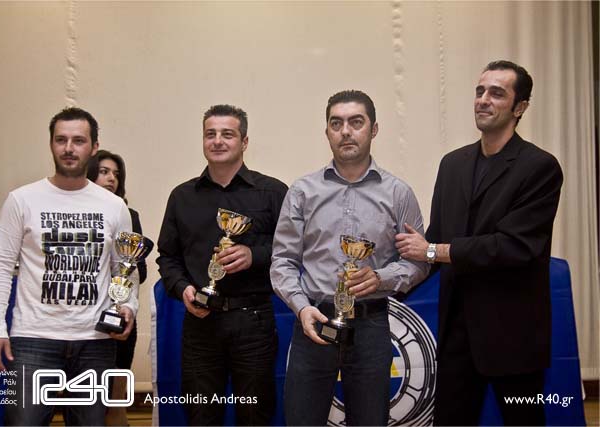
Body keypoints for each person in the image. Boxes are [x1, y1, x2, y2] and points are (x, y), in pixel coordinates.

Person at [395, 60, 563, 425]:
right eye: (480, 91)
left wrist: (433, 250)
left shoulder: (540, 167)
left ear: (520, 107)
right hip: (456, 337)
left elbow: (513, 247)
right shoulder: (452, 165)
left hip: (513, 338)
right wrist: (384, 282)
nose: (483, 100)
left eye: (497, 93)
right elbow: (434, 240)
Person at [271, 90, 429, 426]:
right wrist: (301, 307)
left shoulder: (398, 193)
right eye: (336, 123)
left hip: (371, 326)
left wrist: (381, 278)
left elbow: (418, 261)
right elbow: (282, 260)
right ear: (327, 131)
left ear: (374, 129)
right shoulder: (302, 191)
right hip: (314, 322)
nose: (345, 131)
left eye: (356, 122)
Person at [0, 107, 137, 426]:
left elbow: (124, 268)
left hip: (95, 341)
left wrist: (128, 306)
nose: (69, 148)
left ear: (93, 147)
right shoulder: (22, 200)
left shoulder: (114, 207)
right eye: (61, 140)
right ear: (51, 144)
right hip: (32, 339)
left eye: (78, 140)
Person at [156, 104, 288, 425]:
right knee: (201, 415)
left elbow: (293, 251)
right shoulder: (182, 196)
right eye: (210, 134)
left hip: (253, 322)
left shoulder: (272, 192)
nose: (217, 141)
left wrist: (254, 255)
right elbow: (168, 258)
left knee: (254, 415)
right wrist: (183, 289)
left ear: (244, 142)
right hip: (199, 325)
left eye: (227, 134)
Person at [87, 149, 147, 426]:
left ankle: (118, 417)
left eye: (116, 174)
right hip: (83, 312)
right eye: (104, 172)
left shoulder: (129, 215)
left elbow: (139, 271)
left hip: (119, 311)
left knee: (117, 384)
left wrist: (123, 275)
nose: (111, 178)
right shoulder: (75, 212)